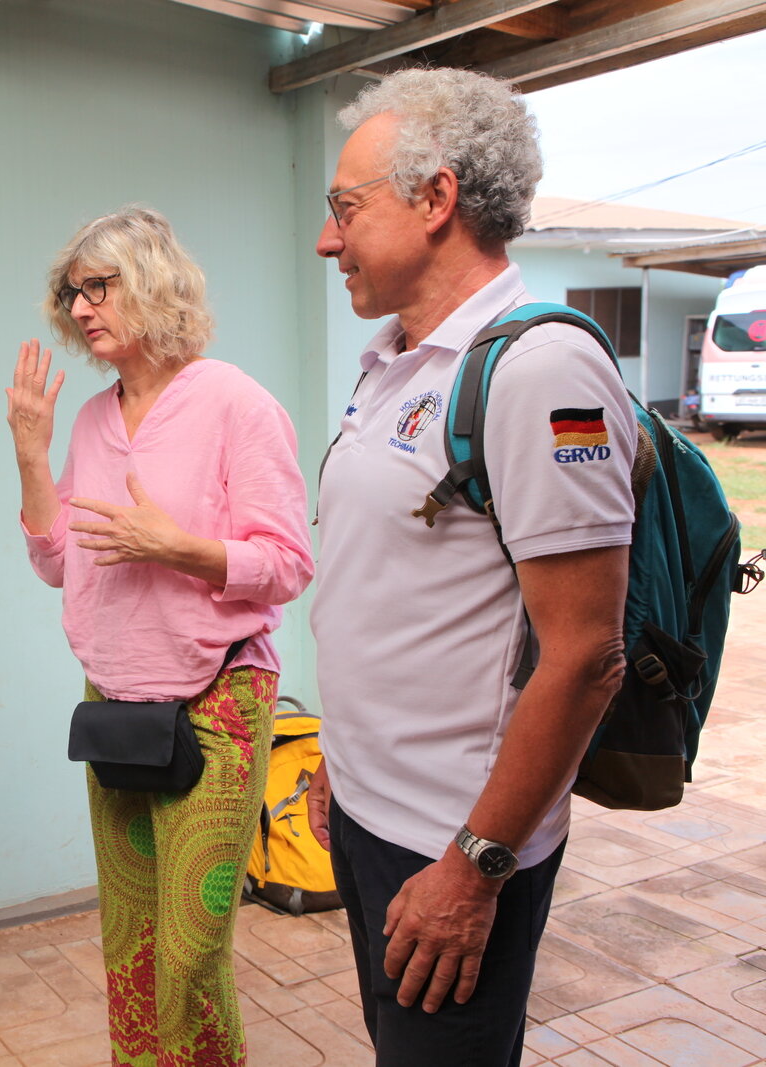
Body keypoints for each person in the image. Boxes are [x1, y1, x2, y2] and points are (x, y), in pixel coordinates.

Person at [307, 69, 636, 1066]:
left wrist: (475, 866)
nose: (328, 239)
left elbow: (584, 654)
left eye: (345, 209)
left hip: (454, 838)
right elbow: (394, 587)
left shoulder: (541, 373)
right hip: (373, 808)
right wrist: (345, 756)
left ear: (437, 199)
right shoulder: (396, 364)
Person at [7, 206, 313, 1065]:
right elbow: (58, 560)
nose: (80, 308)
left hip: (219, 700)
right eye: (71, 294)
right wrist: (32, 450)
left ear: (152, 280)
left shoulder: (235, 403)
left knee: (189, 949)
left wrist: (177, 547)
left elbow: (288, 561)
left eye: (96, 286)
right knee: (131, 943)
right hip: (115, 704)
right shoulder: (96, 419)